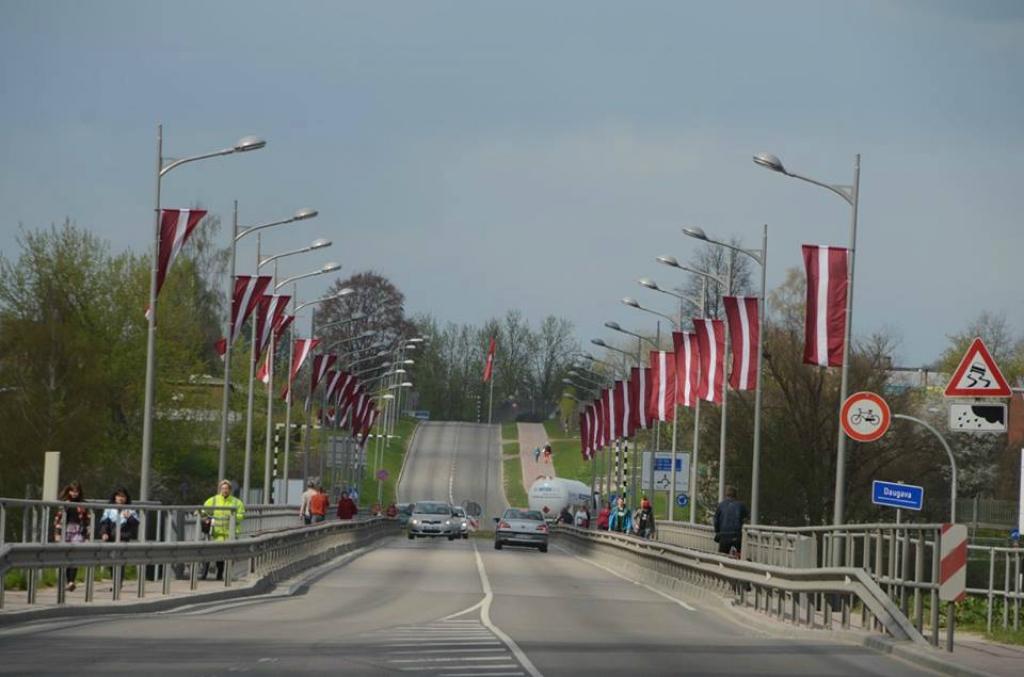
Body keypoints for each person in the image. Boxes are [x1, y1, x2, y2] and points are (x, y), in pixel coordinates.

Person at [203, 479, 245, 581]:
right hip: (217, 533)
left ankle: (227, 573)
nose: (224, 490)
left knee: (229, 555)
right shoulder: (214, 500)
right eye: (223, 488)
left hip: (231, 533)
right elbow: (205, 508)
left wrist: (232, 517)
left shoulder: (236, 502)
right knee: (219, 554)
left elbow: (241, 515)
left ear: (230, 490)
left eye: (226, 488)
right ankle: (220, 572)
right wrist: (201, 513)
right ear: (220, 489)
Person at [53, 481, 89, 591]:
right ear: (68, 491)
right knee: (65, 557)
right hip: (65, 532)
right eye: (72, 491)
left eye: (76, 491)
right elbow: (58, 520)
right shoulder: (64, 503)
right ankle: (65, 581)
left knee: (74, 558)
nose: (74, 494)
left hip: (78, 533)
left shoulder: (83, 504)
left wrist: (87, 536)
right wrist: (57, 534)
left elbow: (87, 521)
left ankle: (71, 582)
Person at [714, 485, 749, 557]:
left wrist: (718, 532)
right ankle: (738, 560)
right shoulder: (740, 505)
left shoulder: (720, 505)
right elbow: (746, 519)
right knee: (739, 554)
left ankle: (722, 566)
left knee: (722, 556)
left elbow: (716, 521)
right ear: (736, 495)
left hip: (724, 536)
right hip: (737, 536)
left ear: (726, 495)